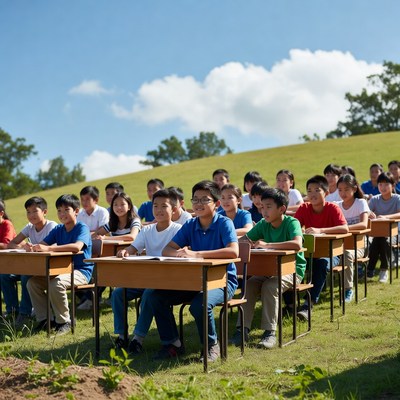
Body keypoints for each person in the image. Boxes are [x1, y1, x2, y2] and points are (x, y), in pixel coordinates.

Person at [149, 180, 239, 362]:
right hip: (194, 280)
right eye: (195, 200)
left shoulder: (224, 223)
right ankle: (172, 344)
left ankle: (211, 345)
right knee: (155, 296)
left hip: (223, 281)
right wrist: (180, 253)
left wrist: (198, 254)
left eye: (204, 200)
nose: (198, 204)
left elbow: (233, 251)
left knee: (200, 304)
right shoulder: (190, 224)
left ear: (217, 204)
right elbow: (167, 250)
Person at [231, 188, 306, 349]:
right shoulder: (263, 225)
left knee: (270, 287)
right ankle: (242, 330)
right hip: (268, 269)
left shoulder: (292, 222)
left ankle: (269, 333)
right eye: (262, 207)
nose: (264, 210)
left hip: (292, 270)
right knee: (249, 285)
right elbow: (245, 239)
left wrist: (268, 245)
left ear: (282, 209)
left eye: (269, 206)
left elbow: (297, 244)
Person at [112, 189, 183, 353]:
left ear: (173, 209)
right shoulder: (147, 230)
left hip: (168, 280)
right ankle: (122, 335)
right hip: (146, 278)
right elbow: (132, 248)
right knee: (117, 293)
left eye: (163, 206)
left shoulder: (179, 229)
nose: (158, 210)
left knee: (149, 294)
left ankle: (138, 338)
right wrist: (125, 252)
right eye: (155, 206)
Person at [26, 194, 94, 335]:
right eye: (59, 210)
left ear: (76, 211)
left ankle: (65, 321)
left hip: (81, 271)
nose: (62, 214)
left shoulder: (82, 228)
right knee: (32, 283)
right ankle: (45, 320)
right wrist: (33, 247)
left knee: (56, 284)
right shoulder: (58, 229)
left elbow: (77, 247)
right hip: (61, 270)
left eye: (66, 210)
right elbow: (43, 245)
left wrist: (49, 248)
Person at [294, 175, 348, 320]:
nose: (312, 194)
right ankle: (289, 304)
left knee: (322, 263)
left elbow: (345, 229)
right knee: (289, 264)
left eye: (317, 190)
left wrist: (320, 230)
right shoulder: (304, 208)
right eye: (309, 190)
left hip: (332, 254)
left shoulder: (333, 208)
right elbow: (294, 228)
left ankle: (308, 304)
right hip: (309, 253)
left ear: (326, 192)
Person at [77, 192, 142, 311]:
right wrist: (82, 236)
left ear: (129, 206)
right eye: (115, 205)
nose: (119, 208)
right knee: (99, 270)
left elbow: (132, 237)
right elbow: (96, 234)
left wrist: (107, 238)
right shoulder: (112, 222)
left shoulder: (134, 220)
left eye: (122, 204)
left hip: (133, 257)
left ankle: (93, 299)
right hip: (116, 257)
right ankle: (91, 299)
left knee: (104, 271)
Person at [2, 197, 57, 325]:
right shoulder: (29, 227)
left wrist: (35, 248)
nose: (31, 215)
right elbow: (12, 244)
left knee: (26, 277)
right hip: (30, 265)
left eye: (34, 211)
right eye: (28, 212)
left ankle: (25, 313)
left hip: (47, 266)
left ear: (44, 212)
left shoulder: (52, 226)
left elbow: (52, 249)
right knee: (5, 276)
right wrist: (23, 246)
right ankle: (12, 310)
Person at [337, 175, 370, 302]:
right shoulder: (337, 205)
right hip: (340, 245)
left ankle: (348, 289)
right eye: (340, 190)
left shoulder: (361, 203)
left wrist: (344, 228)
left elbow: (363, 225)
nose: (343, 193)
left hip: (360, 245)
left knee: (346, 254)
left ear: (354, 189)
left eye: (346, 189)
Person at [366, 172, 400, 283]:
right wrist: (370, 214)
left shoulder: (397, 198)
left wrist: (385, 217)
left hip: (395, 233)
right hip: (376, 233)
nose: (383, 187)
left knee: (382, 240)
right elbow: (366, 212)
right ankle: (381, 270)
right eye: (380, 184)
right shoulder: (375, 199)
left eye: (386, 184)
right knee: (379, 239)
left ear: (393, 186)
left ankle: (373, 269)